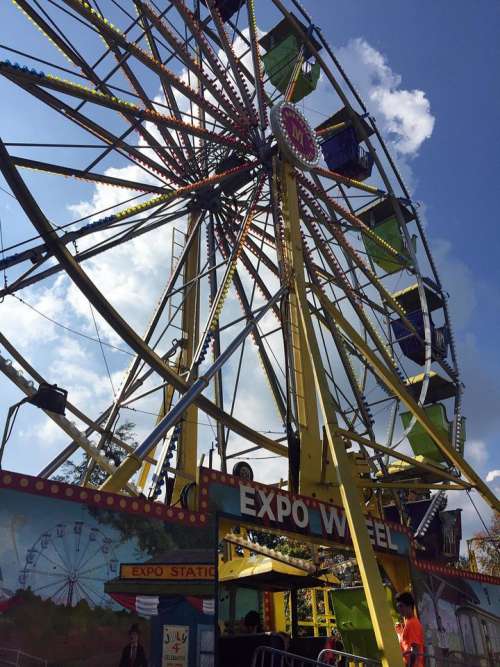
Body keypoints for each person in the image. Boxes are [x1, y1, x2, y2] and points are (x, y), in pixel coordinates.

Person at [395, 592, 425, 667]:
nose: (399, 609)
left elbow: (415, 650)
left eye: (401, 606)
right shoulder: (409, 622)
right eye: (398, 607)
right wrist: (400, 633)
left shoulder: (412, 623)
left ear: (409, 606)